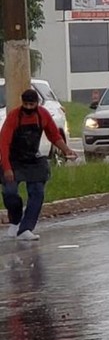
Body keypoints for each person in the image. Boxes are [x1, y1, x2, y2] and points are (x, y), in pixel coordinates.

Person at [0, 89, 78, 241]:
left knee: (37, 192)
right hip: (13, 160)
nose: (29, 107)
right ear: (22, 103)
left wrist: (67, 150)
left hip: (33, 160)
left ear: (37, 103)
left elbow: (54, 136)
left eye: (32, 104)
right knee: (10, 193)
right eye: (26, 104)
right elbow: (3, 144)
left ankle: (25, 228)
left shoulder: (43, 115)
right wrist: (7, 168)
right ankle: (15, 221)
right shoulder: (14, 117)